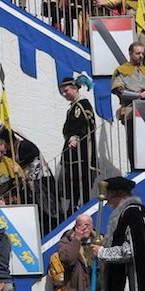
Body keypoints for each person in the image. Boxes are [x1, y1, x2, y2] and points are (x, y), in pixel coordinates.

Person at [111, 42, 145, 170]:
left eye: (143, 53)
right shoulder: (121, 70)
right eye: (138, 53)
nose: (141, 56)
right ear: (130, 53)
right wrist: (138, 95)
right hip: (131, 111)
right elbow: (118, 91)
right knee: (133, 143)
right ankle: (135, 169)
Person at [59, 75, 97, 211]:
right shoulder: (74, 106)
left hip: (81, 152)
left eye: (67, 90)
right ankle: (73, 205)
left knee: (82, 180)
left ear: (75, 89)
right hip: (74, 152)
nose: (64, 94)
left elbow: (81, 124)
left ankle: (83, 205)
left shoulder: (81, 105)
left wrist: (74, 137)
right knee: (73, 180)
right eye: (62, 91)